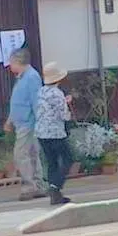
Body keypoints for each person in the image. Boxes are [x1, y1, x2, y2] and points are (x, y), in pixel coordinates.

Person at [3, 48, 46, 200]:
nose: (10, 66)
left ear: (18, 61)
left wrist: (39, 122)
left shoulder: (31, 77)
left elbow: (36, 101)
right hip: (23, 122)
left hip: (28, 123)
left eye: (11, 62)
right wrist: (10, 120)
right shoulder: (22, 78)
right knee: (32, 154)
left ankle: (30, 186)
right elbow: (17, 102)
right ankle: (39, 186)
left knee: (21, 154)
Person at [35, 62, 73, 206]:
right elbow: (64, 116)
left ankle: (55, 195)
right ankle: (55, 186)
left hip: (41, 132)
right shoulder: (57, 94)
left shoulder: (41, 91)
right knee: (68, 159)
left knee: (52, 162)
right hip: (55, 133)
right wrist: (66, 102)